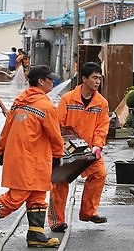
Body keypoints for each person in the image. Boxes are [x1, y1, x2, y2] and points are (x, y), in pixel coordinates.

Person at [0, 65, 64, 248]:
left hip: (23, 158)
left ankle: (36, 235)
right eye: (49, 79)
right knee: (15, 198)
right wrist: (59, 155)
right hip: (32, 160)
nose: (53, 82)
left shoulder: (20, 101)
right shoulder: (46, 106)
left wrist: (0, 149)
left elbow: (7, 128)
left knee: (37, 196)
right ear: (41, 81)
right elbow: (55, 135)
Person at [48, 62, 110, 232]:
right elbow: (58, 125)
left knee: (99, 174)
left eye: (100, 78)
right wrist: (59, 148)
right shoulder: (68, 99)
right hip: (67, 149)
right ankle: (57, 221)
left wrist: (98, 146)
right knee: (60, 182)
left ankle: (88, 212)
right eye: (94, 77)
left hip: (89, 149)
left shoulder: (101, 103)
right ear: (84, 79)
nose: (98, 81)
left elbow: (102, 127)